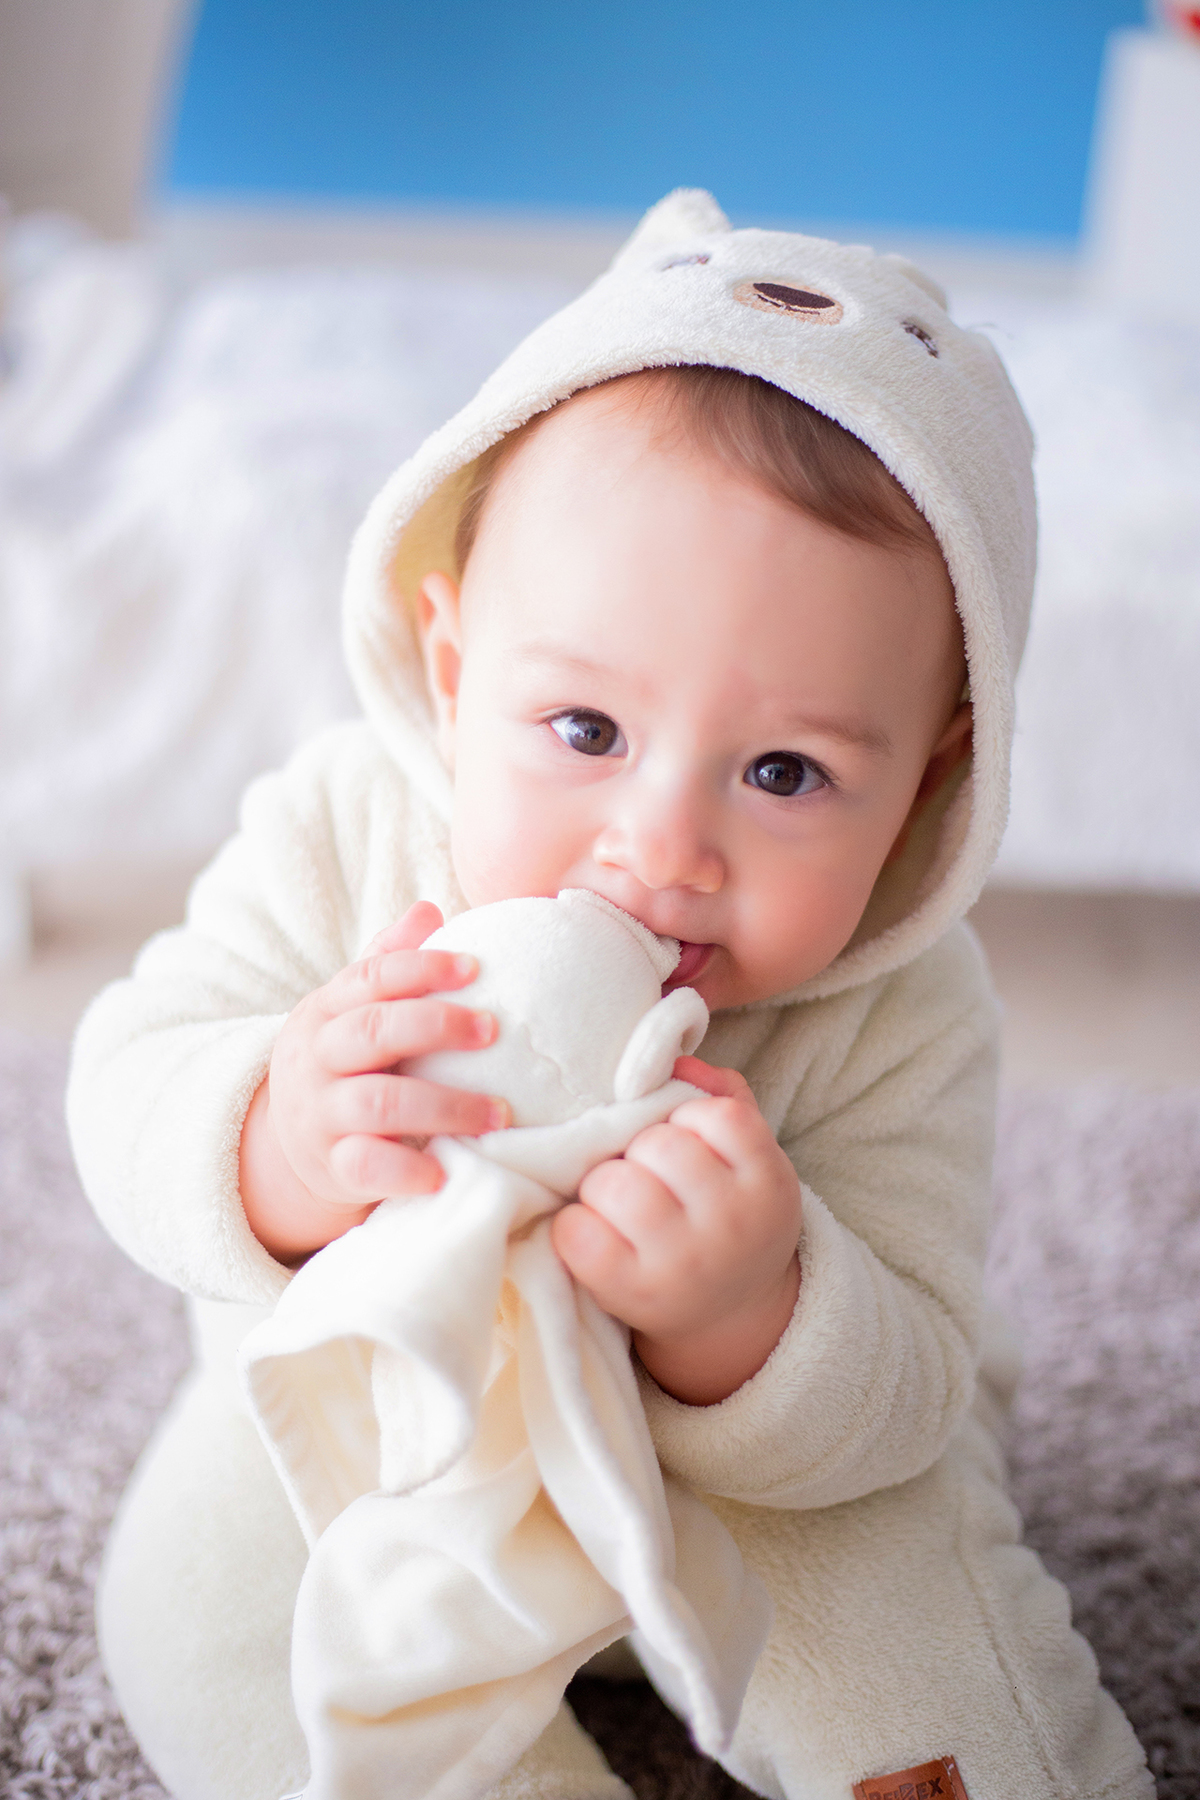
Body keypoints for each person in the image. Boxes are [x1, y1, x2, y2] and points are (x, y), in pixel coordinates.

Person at [67, 189, 1153, 1800]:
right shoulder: (345, 831)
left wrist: (748, 1316)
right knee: (198, 1606)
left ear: (926, 786)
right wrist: (275, 1146)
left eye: (785, 772)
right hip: (384, 1416)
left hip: (769, 1490)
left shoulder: (903, 1010)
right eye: (583, 730)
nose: (661, 850)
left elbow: (909, 1380)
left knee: (933, 1669)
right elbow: (128, 1076)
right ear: (453, 669)